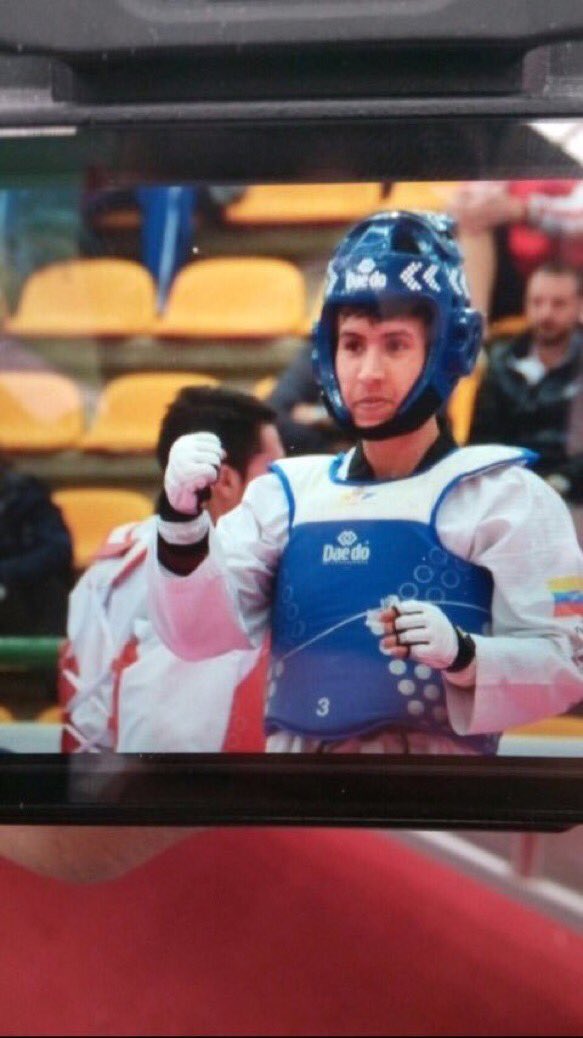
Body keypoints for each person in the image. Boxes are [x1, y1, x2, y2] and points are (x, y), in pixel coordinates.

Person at [147, 210, 583, 756]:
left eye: (395, 344)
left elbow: (567, 665)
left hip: (439, 808)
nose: (368, 372)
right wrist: (182, 526)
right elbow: (196, 637)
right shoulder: (285, 496)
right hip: (300, 803)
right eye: (353, 344)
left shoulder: (505, 498)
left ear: (446, 348)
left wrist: (468, 656)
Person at [61, 386, 283, 753]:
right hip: (176, 791)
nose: (282, 487)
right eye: (272, 472)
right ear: (225, 481)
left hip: (105, 789)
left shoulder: (112, 557)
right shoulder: (226, 581)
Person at [469, 262, 583, 502]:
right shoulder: (500, 361)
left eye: (558, 304)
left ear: (579, 307)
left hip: (572, 495)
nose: (546, 313)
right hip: (506, 491)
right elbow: (481, 442)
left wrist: (560, 482)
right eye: (537, 302)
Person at [0, 458, 72, 637]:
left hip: (25, 594)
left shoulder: (27, 496)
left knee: (48, 591)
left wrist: (6, 573)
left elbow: (58, 550)